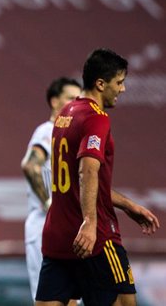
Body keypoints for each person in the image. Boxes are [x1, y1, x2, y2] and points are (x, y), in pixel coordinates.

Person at [36, 49, 160, 306]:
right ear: (101, 84)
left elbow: (83, 181)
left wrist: (128, 206)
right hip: (95, 238)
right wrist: (90, 222)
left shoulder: (65, 114)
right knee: (126, 302)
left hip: (57, 236)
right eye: (119, 82)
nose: (123, 89)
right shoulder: (96, 118)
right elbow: (87, 170)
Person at [21, 77, 81, 302]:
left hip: (63, 227)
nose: (75, 104)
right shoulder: (48, 130)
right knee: (48, 299)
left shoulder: (70, 134)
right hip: (44, 226)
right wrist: (49, 204)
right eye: (70, 98)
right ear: (55, 101)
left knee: (71, 298)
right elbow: (30, 165)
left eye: (79, 99)